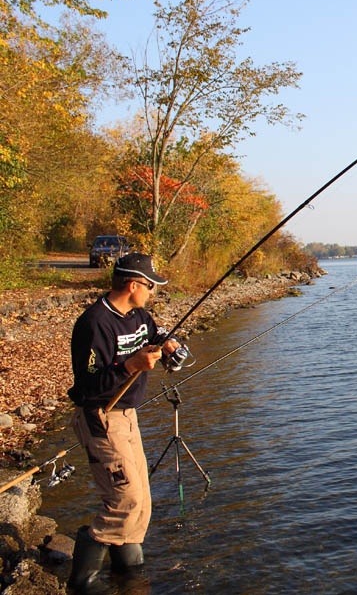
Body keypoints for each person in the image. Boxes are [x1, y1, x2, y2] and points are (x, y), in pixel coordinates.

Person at [67, 252, 180, 592]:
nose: (153, 292)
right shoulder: (94, 324)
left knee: (142, 500)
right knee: (124, 499)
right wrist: (130, 366)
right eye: (150, 285)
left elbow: (157, 335)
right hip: (101, 417)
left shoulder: (140, 316)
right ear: (133, 285)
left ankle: (128, 574)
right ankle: (82, 582)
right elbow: (88, 385)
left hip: (128, 417)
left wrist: (170, 345)